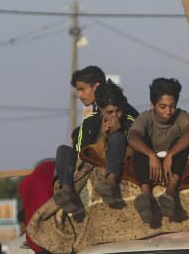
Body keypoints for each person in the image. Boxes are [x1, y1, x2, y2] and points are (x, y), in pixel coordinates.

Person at [128, 77, 189, 224]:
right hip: (151, 164)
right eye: (163, 106)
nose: (168, 111)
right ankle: (146, 196)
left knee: (181, 142)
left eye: (172, 106)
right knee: (141, 146)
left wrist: (171, 155)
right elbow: (133, 137)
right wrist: (151, 155)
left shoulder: (181, 115)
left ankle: (170, 193)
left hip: (174, 164)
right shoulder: (146, 117)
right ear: (152, 104)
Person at [54, 68, 137, 213]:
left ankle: (110, 182)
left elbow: (132, 141)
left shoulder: (125, 114)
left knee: (117, 138)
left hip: (117, 155)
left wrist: (111, 135)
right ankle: (66, 190)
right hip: (93, 154)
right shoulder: (91, 119)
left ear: (96, 87)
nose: (79, 95)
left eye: (82, 89)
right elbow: (81, 150)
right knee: (63, 150)